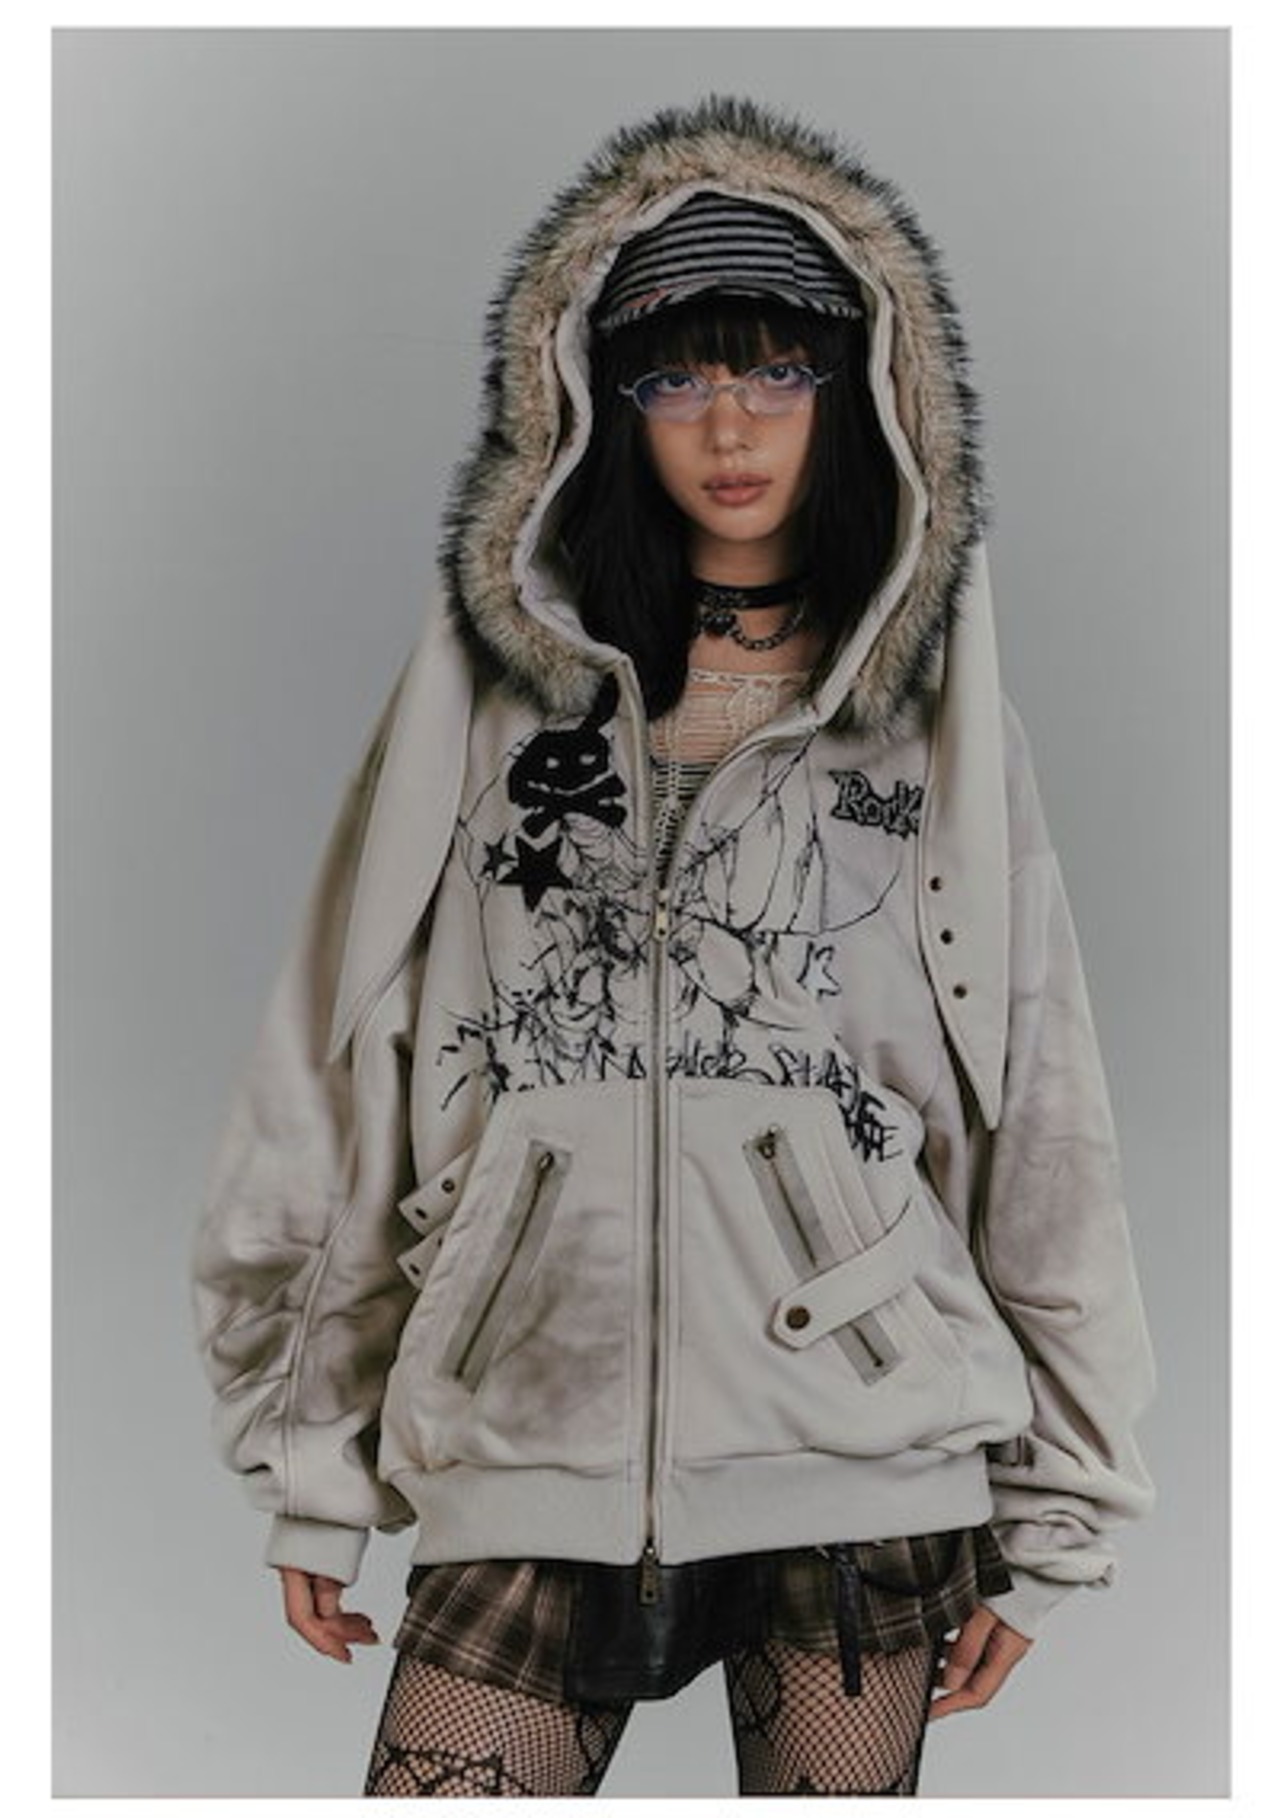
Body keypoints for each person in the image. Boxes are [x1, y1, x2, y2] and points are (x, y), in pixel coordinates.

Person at [190, 94, 1156, 1798]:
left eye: (777, 371)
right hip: (527, 1424)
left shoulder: (928, 725)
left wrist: (1065, 1495)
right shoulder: (495, 704)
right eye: (675, 377)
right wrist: (311, 1462)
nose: (728, 426)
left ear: (857, 394)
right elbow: (344, 1060)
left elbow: (1038, 1097)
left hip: (856, 1453)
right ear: (595, 403)